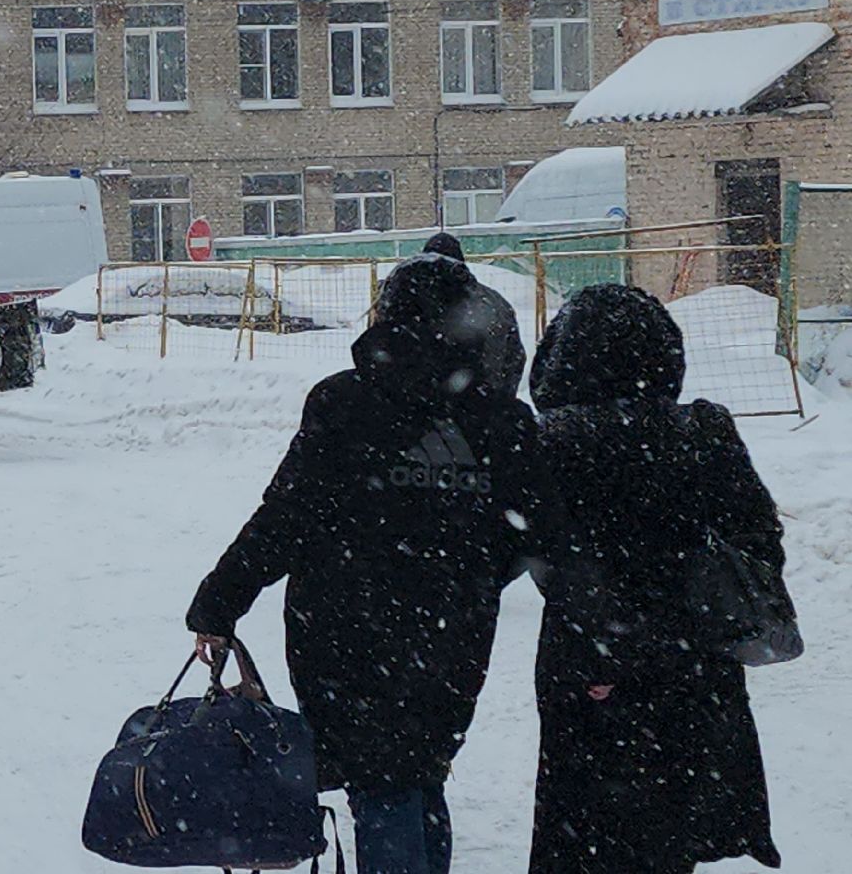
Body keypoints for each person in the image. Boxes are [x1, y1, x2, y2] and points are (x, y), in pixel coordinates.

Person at [185, 245, 548, 874]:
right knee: (420, 771)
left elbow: (287, 517)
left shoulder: (344, 402)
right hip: (452, 633)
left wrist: (220, 601)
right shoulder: (502, 419)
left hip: (341, 627)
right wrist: (472, 578)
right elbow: (528, 534)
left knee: (382, 783)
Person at [527, 285, 783, 874]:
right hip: (694, 664)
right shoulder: (705, 431)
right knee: (670, 823)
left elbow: (547, 557)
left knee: (583, 826)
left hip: (589, 664)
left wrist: (605, 642)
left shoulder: (555, 439)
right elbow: (759, 540)